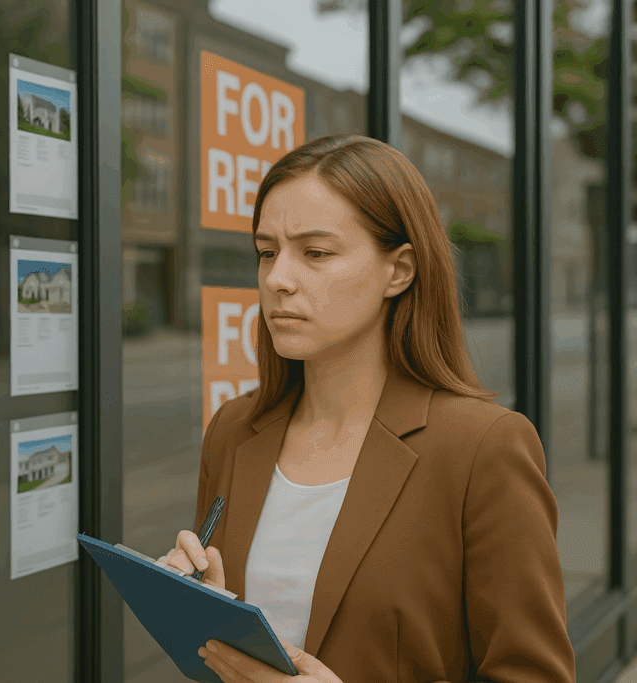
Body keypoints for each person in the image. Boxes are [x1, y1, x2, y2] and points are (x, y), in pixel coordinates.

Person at [158, 134, 575, 683]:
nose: (277, 279)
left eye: (316, 253)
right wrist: (200, 613)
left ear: (398, 271)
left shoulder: (483, 449)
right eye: (267, 252)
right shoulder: (235, 428)